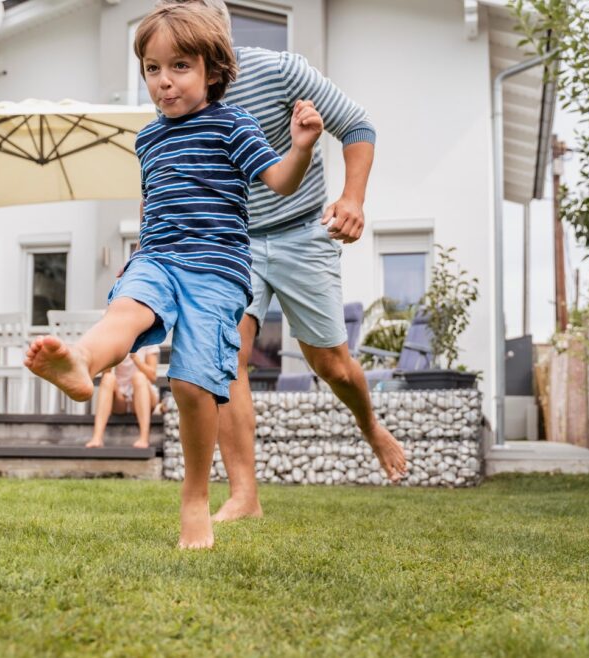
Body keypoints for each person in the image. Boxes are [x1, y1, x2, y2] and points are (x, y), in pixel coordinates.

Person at [25, 2, 323, 549]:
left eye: (179, 66)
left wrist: (300, 148)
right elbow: (151, 202)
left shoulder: (233, 124)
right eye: (152, 69)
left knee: (191, 383)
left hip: (215, 269)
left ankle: (194, 497)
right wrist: (135, 260)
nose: (164, 82)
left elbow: (280, 180)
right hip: (157, 256)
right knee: (123, 311)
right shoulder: (148, 138)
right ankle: (82, 364)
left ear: (212, 70)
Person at [160, 0, 409, 523]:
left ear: (220, 32)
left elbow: (357, 127)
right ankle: (244, 494)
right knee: (228, 357)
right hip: (233, 241)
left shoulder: (279, 70)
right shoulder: (176, 95)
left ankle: (369, 425)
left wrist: (352, 201)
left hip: (301, 231)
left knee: (332, 366)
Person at [86, 345, 160, 449]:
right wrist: (111, 357)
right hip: (122, 398)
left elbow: (152, 377)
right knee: (108, 378)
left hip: (143, 394)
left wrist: (135, 358)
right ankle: (97, 438)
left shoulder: (150, 341)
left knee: (138, 377)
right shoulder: (119, 340)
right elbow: (105, 374)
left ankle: (144, 438)